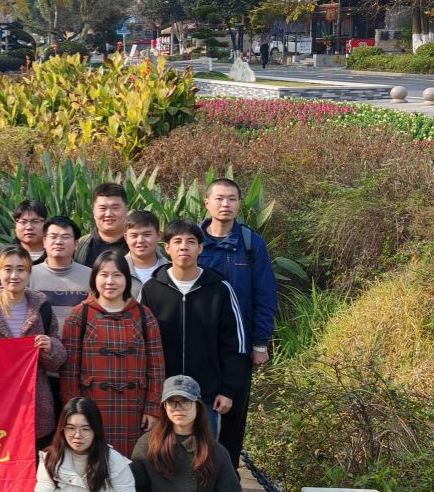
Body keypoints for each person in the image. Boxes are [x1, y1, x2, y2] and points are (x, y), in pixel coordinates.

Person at [138, 220, 248, 439]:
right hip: (163, 394)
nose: (183, 247)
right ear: (167, 248)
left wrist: (228, 390)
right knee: (162, 453)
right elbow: (140, 343)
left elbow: (235, 344)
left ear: (200, 248)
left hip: (206, 395)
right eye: (177, 241)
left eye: (190, 242)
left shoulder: (219, 289)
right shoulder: (152, 289)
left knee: (205, 454)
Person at [198, 177, 278, 469]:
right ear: (207, 203)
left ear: (239, 204)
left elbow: (265, 294)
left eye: (231, 199)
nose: (225, 204)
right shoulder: (193, 240)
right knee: (194, 410)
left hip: (239, 346)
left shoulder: (250, 243)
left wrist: (260, 343)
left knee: (233, 414)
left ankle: (228, 479)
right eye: (219, 198)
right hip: (199, 343)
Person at [59, 252, 165, 457]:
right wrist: (74, 411)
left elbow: (157, 367)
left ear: (126, 279)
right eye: (103, 275)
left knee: (132, 464)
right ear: (94, 278)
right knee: (94, 462)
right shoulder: (80, 315)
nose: (110, 281)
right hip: (92, 407)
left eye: (117, 275)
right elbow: (69, 371)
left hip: (134, 408)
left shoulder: (144, 315)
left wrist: (152, 409)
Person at [0, 245, 64, 443]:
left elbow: (58, 360)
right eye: (8, 269)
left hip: (35, 401)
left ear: (29, 273)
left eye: (21, 269)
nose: (14, 276)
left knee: (33, 454)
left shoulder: (42, 308)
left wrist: (50, 347)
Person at [29, 217, 93, 333]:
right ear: (44, 241)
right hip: (40, 342)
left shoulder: (91, 276)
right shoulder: (29, 275)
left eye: (65, 237)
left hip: (79, 342)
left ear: (76, 244)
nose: (58, 241)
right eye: (53, 237)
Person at [75, 183, 130, 267]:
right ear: (93, 211)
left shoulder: (139, 244)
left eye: (115, 208)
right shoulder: (79, 246)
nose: (108, 214)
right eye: (102, 208)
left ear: (126, 210)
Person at [123, 210, 168, 297]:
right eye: (134, 236)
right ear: (126, 238)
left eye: (147, 235)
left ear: (159, 236)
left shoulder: (172, 270)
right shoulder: (116, 270)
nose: (140, 240)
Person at [14, 200, 49, 265]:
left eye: (35, 221)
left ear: (46, 224)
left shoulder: (56, 256)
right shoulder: (6, 256)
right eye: (23, 222)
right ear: (15, 225)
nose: (29, 227)